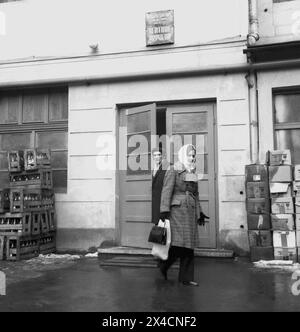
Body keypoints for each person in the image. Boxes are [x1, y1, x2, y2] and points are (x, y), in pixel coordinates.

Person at [158, 144, 209, 286]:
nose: (192, 157)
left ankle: (186, 278)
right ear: (182, 155)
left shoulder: (193, 172)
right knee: (178, 245)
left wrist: (200, 212)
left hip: (190, 211)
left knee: (189, 246)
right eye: (189, 155)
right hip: (177, 212)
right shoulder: (174, 169)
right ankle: (163, 265)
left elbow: (195, 194)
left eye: (194, 155)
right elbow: (167, 190)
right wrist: (164, 210)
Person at [151, 147, 168, 225]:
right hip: (156, 199)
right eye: (154, 155)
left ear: (162, 156)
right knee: (157, 225)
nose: (157, 157)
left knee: (165, 225)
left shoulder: (166, 167)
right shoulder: (154, 168)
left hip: (163, 200)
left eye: (159, 155)